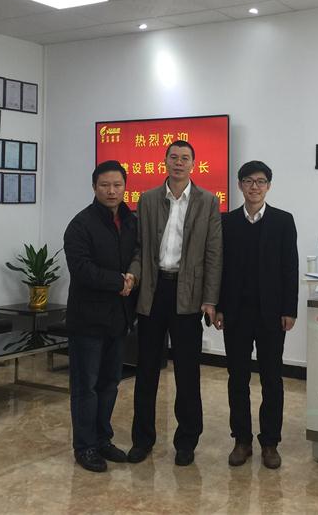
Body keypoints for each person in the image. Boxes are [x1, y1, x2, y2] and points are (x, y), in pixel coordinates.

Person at [126, 140, 222, 467]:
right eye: (174, 157)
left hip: (188, 295)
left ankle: (186, 441)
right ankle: (142, 440)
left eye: (185, 158)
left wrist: (210, 299)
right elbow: (139, 248)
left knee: (187, 372)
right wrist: (134, 276)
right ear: (164, 161)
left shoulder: (208, 201)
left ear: (194, 164)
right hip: (153, 292)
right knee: (146, 370)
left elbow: (214, 254)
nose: (179, 163)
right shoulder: (148, 199)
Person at [214, 160, 298, 470]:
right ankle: (242, 440)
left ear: (268, 186)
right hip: (235, 313)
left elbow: (290, 267)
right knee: (237, 378)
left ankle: (270, 443)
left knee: (271, 379)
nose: (254, 186)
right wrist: (218, 306)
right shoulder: (226, 222)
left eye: (260, 181)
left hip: (271, 314)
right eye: (248, 181)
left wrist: (289, 309)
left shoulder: (283, 221)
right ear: (239, 185)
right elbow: (218, 267)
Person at [63, 160, 138, 473]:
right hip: (88, 321)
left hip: (118, 319)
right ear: (94, 187)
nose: (111, 191)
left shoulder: (131, 221)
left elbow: (138, 255)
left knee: (110, 384)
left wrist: (132, 277)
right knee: (86, 387)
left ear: (125, 187)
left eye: (117, 185)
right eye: (105, 185)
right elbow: (82, 269)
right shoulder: (80, 225)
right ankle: (85, 446)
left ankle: (102, 438)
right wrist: (119, 282)